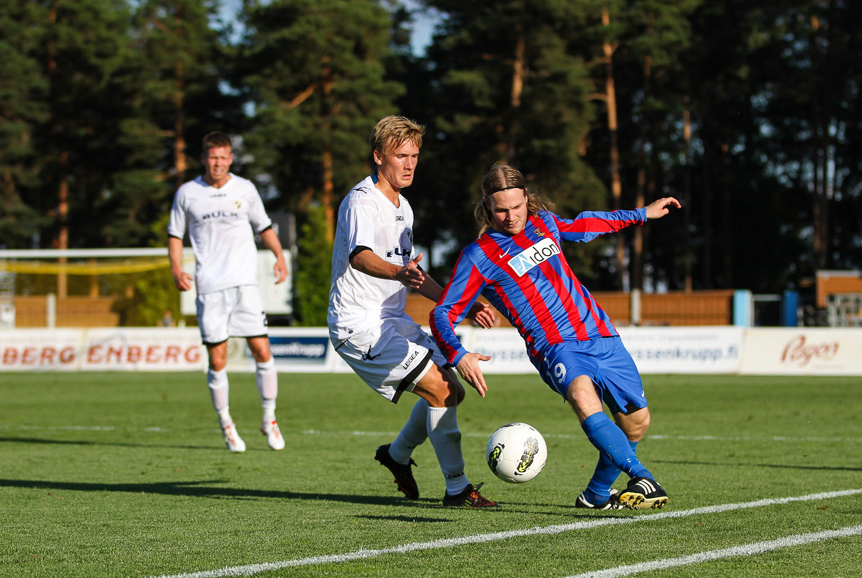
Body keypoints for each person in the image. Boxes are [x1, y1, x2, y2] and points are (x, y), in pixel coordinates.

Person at [430, 163, 681, 510]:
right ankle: (642, 477)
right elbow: (442, 312)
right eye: (501, 210)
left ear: (526, 199)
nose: (510, 216)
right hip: (555, 347)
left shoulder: (544, 223)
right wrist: (458, 354)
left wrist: (640, 214)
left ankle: (594, 496)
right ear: (486, 206)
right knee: (582, 394)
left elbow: (585, 224)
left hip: (601, 334)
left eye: (517, 207)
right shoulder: (479, 256)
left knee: (636, 423)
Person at [327, 116, 498, 508]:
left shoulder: (403, 207)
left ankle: (396, 455)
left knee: (452, 391)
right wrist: (399, 273)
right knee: (440, 389)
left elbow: (413, 276)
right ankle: (457, 488)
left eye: (415, 156)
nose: (409, 164)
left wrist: (463, 306)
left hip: (393, 321)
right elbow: (361, 257)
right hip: (359, 326)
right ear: (378, 157)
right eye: (400, 156)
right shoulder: (361, 201)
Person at [167, 131, 288, 453]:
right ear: (204, 158)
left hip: (245, 284)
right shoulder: (187, 193)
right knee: (217, 359)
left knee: (263, 352)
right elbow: (175, 235)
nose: (218, 163)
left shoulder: (245, 189)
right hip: (209, 287)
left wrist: (279, 256)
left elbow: (263, 227)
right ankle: (227, 424)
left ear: (230, 158)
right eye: (212, 158)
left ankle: (269, 418)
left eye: (223, 157)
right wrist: (176, 267)